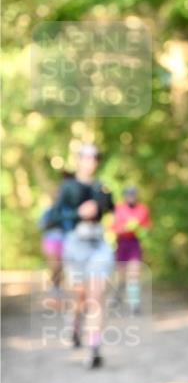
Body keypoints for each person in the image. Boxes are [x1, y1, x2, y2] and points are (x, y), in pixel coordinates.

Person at [47, 143, 115, 368]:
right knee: (80, 297)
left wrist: (103, 206)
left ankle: (94, 347)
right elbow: (54, 216)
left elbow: (113, 210)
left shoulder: (100, 186)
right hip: (75, 245)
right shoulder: (68, 187)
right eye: (87, 157)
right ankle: (75, 324)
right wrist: (78, 213)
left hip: (98, 245)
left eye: (94, 158)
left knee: (97, 295)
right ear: (79, 159)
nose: (91, 162)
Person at [112, 185, 151, 314]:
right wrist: (124, 228)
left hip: (134, 243)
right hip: (122, 243)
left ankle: (134, 303)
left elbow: (147, 227)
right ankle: (118, 294)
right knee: (121, 275)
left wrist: (140, 230)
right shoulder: (119, 208)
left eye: (132, 195)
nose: (131, 197)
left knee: (134, 273)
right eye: (128, 195)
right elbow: (113, 227)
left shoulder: (142, 209)